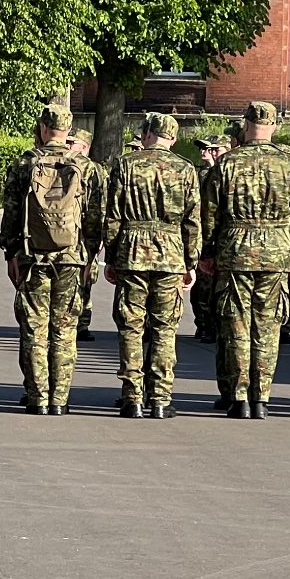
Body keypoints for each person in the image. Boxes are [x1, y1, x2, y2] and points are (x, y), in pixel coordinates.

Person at [200, 101, 290, 419]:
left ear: (246, 126)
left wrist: (206, 252)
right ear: (274, 127)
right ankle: (261, 396)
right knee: (268, 325)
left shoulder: (228, 163)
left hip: (235, 250)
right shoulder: (289, 165)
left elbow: (209, 214)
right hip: (275, 250)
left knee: (235, 323)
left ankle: (238, 395)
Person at [102, 111, 201, 419]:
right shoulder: (185, 170)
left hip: (132, 251)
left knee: (131, 326)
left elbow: (113, 215)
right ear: (172, 139)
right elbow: (193, 221)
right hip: (171, 253)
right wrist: (191, 261)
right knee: (165, 328)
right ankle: (160, 398)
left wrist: (111, 256)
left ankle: (132, 397)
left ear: (146, 134)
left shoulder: (125, 165)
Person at [2, 106, 96, 415]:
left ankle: (37, 395)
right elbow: (97, 217)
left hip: (32, 255)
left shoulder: (24, 164)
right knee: (65, 328)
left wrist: (11, 252)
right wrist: (90, 256)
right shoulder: (86, 167)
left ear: (44, 129)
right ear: (69, 131)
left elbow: (12, 214)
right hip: (72, 256)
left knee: (34, 327)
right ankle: (60, 399)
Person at [66, 128, 108, 343]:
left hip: (77, 232)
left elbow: (97, 207)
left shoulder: (89, 169)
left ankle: (79, 322)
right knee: (81, 278)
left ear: (84, 147)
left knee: (82, 280)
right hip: (80, 233)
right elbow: (98, 208)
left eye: (72, 143)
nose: (67, 145)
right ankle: (80, 323)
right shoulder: (94, 170)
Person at [188, 136, 226, 343]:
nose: (207, 152)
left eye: (213, 149)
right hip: (204, 235)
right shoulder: (199, 174)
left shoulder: (229, 172)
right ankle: (204, 324)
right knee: (202, 287)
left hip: (225, 238)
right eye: (204, 149)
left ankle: (215, 325)